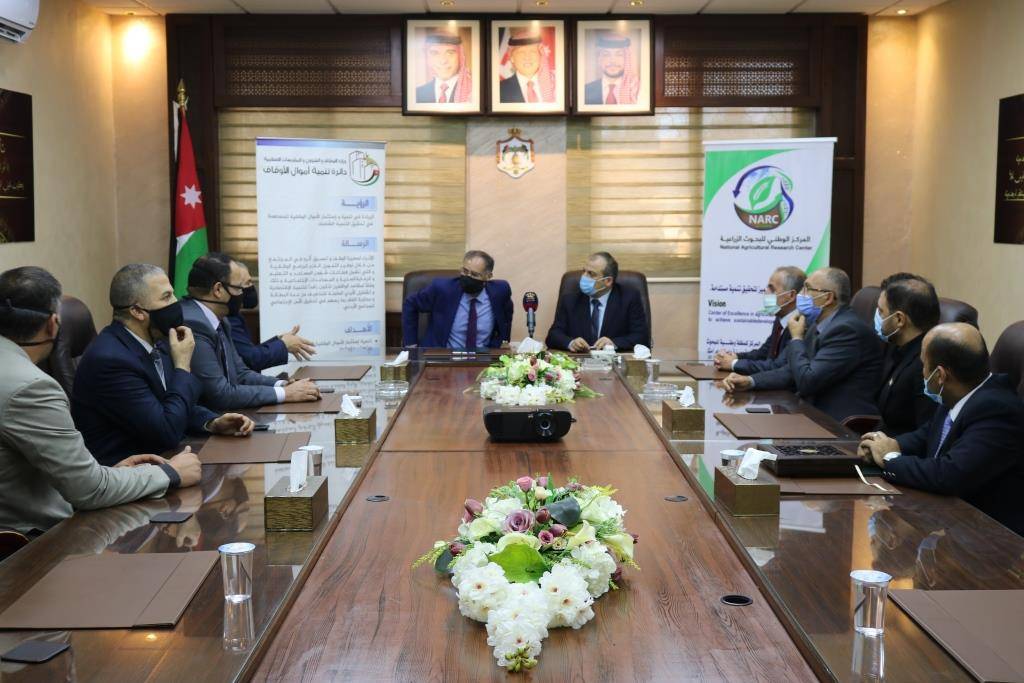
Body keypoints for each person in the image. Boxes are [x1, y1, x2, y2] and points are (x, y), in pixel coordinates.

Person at [0, 266, 200, 535]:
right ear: (53, 323)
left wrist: (113, 473)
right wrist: (171, 473)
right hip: (31, 541)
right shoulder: (32, 387)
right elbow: (89, 490)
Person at [72, 264, 256, 467]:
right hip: (129, 473)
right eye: (166, 297)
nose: (176, 302)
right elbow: (166, 432)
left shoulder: (156, 342)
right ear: (137, 311)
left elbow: (172, 404)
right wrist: (182, 365)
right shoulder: (111, 361)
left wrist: (212, 422)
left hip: (165, 458)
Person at [860, 323, 1024, 536]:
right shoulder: (960, 392)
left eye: (923, 365)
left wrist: (889, 458)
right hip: (945, 519)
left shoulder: (998, 410)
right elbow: (926, 435)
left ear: (940, 375)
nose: (921, 372)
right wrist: (883, 446)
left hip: (984, 537)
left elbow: (949, 475)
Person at [722, 267, 883, 422]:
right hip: (810, 412)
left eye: (807, 289)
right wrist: (750, 381)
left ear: (828, 298)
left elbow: (807, 381)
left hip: (838, 423)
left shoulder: (846, 330)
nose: (800, 295)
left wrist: (797, 338)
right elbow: (790, 371)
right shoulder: (818, 325)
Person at [181, 253, 321, 410]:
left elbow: (240, 374)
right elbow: (220, 395)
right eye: (239, 288)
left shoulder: (221, 320)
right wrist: (285, 394)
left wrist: (282, 384)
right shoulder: (194, 325)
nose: (243, 294)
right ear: (218, 290)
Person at [401, 250, 513, 349]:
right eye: (465, 271)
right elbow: (411, 303)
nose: (468, 277)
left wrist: (503, 342)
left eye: (474, 274)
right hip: (444, 356)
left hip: (483, 357)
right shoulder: (443, 289)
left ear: (488, 276)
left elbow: (506, 318)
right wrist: (411, 345)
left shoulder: (500, 291)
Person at [873, 273, 941, 434]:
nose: (877, 316)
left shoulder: (925, 366)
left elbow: (927, 432)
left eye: (881, 311)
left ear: (899, 320)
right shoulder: (895, 346)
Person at [545, 251, 649, 353]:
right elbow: (553, 336)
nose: (584, 277)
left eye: (591, 274)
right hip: (579, 361)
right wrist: (570, 343)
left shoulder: (629, 298)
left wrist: (614, 343)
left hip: (613, 361)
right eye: (584, 271)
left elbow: (641, 337)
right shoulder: (570, 300)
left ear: (608, 281)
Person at [228, 258, 315, 372]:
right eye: (247, 283)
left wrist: (280, 341)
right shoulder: (228, 319)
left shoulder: (235, 315)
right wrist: (283, 344)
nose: (251, 287)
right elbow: (251, 359)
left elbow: (249, 352)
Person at [714, 265, 805, 374]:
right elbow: (763, 354)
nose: (766, 292)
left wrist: (733, 364)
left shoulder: (801, 325)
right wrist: (734, 357)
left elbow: (777, 366)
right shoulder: (780, 319)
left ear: (791, 295)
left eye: (772, 289)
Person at [499, 28, 556, 104]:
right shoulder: (500, 90)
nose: (527, 57)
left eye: (532, 51)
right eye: (521, 52)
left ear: (540, 55)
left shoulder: (556, 85)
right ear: (512, 58)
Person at [415, 30, 473, 104]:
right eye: (435, 53)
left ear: (460, 57)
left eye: (450, 53)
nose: (443, 61)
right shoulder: (417, 94)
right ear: (427, 58)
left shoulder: (473, 92)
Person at [584, 32, 639, 105]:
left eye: (619, 55)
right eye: (606, 54)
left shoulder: (636, 90)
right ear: (599, 59)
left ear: (626, 58)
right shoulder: (585, 91)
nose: (612, 61)